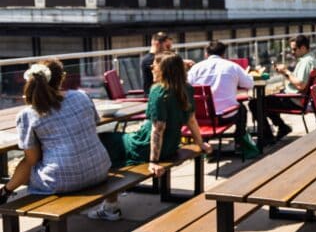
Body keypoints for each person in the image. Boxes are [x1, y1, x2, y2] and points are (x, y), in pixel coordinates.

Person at [90, 52, 212, 220]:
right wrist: (201, 143)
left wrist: (153, 162)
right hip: (171, 145)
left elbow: (157, 129)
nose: (151, 67)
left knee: (105, 141)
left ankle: (111, 206)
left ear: (164, 70)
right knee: (114, 139)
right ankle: (113, 198)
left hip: (146, 147)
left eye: (155, 65)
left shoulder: (159, 91)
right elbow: (191, 120)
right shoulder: (187, 88)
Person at [0, 59, 111, 203]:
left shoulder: (29, 114)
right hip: (99, 170)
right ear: (62, 77)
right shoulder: (82, 96)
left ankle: (5, 193)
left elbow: (31, 160)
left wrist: (8, 188)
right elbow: (94, 123)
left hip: (61, 181)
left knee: (33, 162)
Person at [187, 40, 258, 157]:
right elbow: (249, 84)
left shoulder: (195, 68)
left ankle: (205, 144)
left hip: (201, 118)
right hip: (225, 116)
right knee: (242, 109)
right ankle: (240, 140)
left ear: (206, 54)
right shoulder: (232, 66)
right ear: (224, 54)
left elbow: (187, 87)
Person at [250, 34, 315, 141]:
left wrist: (285, 71)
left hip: (293, 99)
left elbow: (300, 84)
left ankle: (268, 137)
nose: (292, 52)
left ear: (303, 48)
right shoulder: (309, 59)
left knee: (255, 103)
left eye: (294, 49)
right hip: (296, 98)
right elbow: (300, 83)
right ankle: (281, 127)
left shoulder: (305, 62)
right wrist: (285, 73)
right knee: (267, 100)